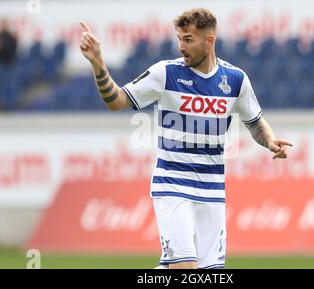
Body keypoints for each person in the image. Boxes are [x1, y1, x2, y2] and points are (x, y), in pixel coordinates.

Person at [79, 8, 293, 269]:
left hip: (212, 190)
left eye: (188, 39)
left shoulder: (235, 80)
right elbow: (117, 100)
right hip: (172, 186)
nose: (181, 46)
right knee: (185, 268)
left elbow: (255, 122)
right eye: (179, 38)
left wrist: (270, 141)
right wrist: (98, 63)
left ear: (209, 41)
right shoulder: (166, 73)